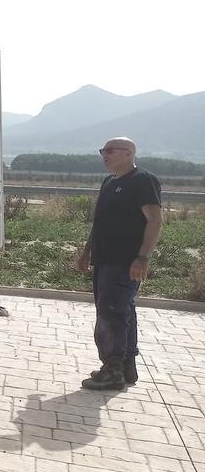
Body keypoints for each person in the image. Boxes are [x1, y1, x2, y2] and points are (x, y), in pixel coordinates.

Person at [76, 137, 163, 390]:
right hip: (104, 260)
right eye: (102, 150)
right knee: (122, 312)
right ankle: (126, 368)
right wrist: (86, 253)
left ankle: (112, 371)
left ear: (128, 153)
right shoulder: (109, 182)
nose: (105, 155)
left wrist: (142, 257)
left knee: (111, 315)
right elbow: (99, 223)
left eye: (110, 151)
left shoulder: (143, 180)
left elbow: (155, 221)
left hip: (125, 261)